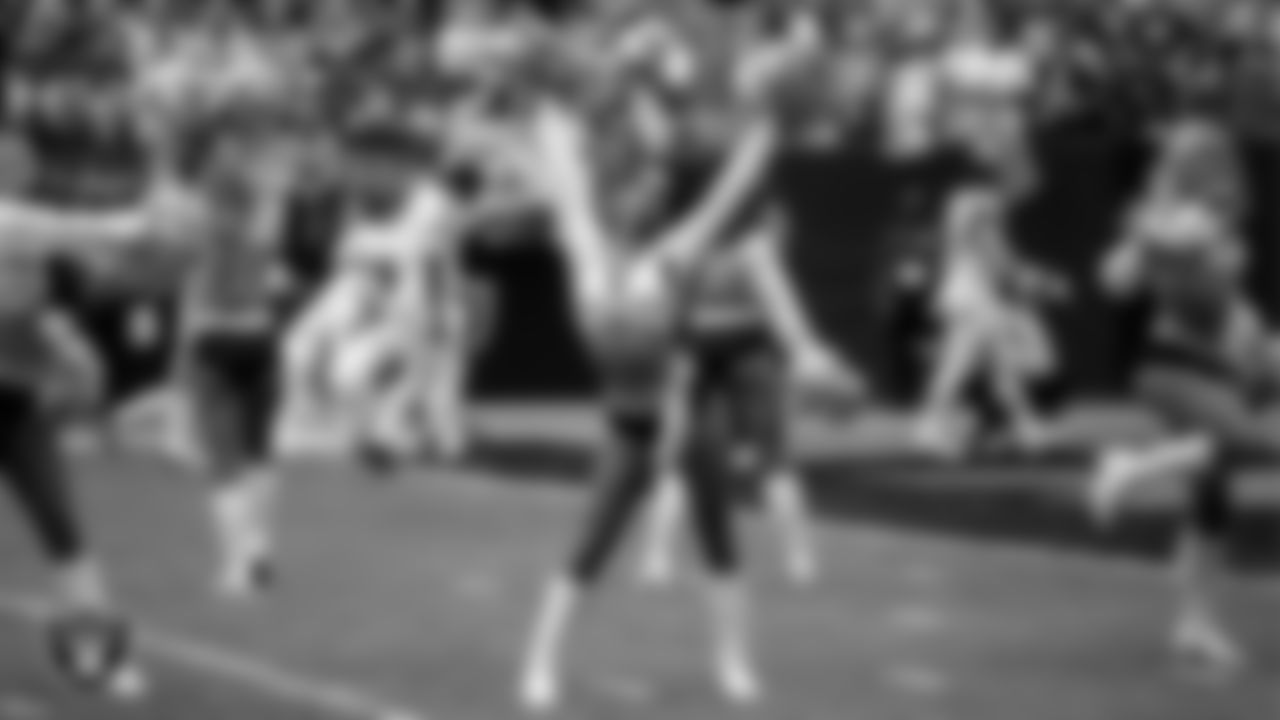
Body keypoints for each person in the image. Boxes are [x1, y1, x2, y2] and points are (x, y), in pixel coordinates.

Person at [515, 56, 779, 711]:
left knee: (719, 532)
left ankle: (734, 663)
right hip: (630, 423)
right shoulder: (585, 248)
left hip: (687, 409)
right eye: (637, 192)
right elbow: (568, 183)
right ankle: (540, 664)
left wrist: (769, 130)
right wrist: (549, 116)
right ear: (616, 199)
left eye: (653, 193)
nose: (646, 201)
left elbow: (729, 194)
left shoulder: (671, 255)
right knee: (591, 542)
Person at [0, 175, 191, 699]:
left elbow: (45, 302)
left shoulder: (26, 245)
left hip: (18, 410)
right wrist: (141, 218)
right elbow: (69, 229)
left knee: (63, 530)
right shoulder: (15, 225)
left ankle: (97, 658)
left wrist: (66, 351)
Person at [1086, 196, 1271, 672]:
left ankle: (1195, 625)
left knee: (1210, 508)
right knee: (1247, 444)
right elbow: (1115, 278)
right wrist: (1148, 231)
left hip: (1209, 376)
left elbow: (1256, 358)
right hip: (1176, 373)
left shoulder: (1219, 277)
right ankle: (1128, 467)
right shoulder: (1183, 249)